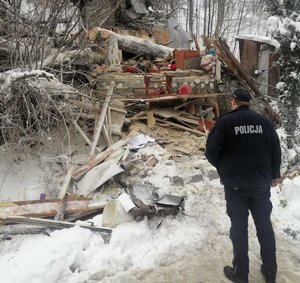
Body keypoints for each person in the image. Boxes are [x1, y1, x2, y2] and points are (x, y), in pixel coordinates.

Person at [205, 89, 281, 283]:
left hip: (236, 187)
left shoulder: (224, 122)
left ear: (234, 102)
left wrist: (225, 170)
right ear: (249, 102)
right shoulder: (264, 122)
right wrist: (274, 175)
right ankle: (270, 272)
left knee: (238, 229)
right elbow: (275, 150)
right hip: (261, 185)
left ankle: (241, 274)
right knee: (264, 227)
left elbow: (211, 153)